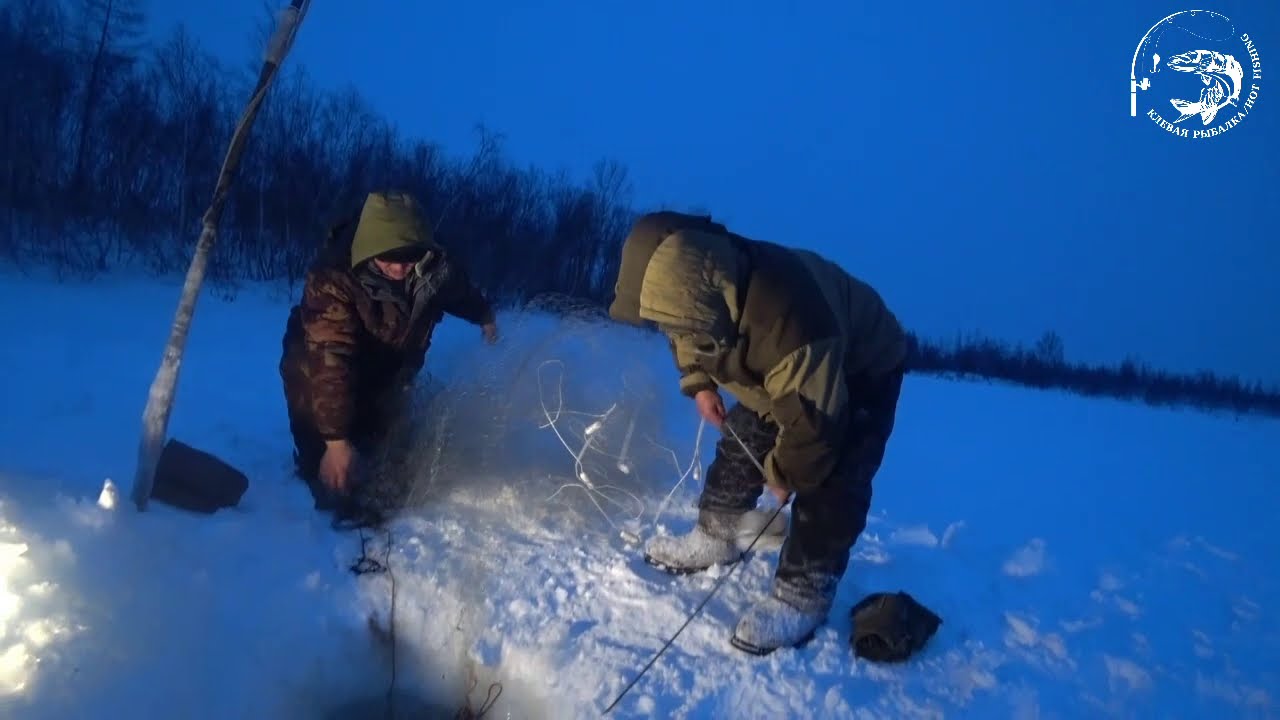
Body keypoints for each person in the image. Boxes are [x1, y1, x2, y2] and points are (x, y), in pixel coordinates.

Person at [606, 211, 907, 655]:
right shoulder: (704, 289)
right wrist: (700, 382)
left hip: (860, 363)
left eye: (673, 319)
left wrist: (784, 473)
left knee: (834, 474)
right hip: (785, 361)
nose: (669, 330)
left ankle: (803, 592)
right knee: (745, 432)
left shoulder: (790, 323)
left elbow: (813, 429)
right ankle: (716, 533)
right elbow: (686, 331)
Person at [279, 191, 499, 524]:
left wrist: (483, 316)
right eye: (388, 258)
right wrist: (335, 442)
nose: (399, 268)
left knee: (381, 447)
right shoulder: (333, 276)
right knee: (329, 462)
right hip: (319, 365)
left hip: (390, 364)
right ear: (369, 249)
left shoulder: (438, 268)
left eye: (408, 258)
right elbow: (330, 357)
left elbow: (460, 293)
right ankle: (318, 456)